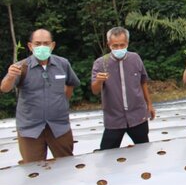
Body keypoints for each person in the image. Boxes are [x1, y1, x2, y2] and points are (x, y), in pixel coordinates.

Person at [0, 29, 80, 163]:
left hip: (59, 127)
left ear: (52, 45)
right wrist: (10, 76)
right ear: (30, 46)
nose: (42, 47)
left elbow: (71, 83)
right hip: (30, 129)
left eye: (46, 43)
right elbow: (4, 88)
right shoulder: (20, 67)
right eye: (37, 44)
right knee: (34, 169)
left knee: (66, 165)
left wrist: (63, 103)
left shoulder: (63, 64)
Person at [91, 27, 155, 150]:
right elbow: (95, 90)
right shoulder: (100, 63)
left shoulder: (135, 58)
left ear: (127, 43)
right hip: (114, 119)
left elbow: (143, 82)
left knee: (144, 150)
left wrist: (149, 105)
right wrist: (99, 81)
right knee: (107, 153)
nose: (119, 49)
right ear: (109, 44)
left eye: (122, 45)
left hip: (137, 116)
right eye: (115, 46)